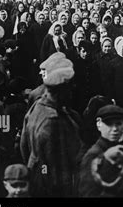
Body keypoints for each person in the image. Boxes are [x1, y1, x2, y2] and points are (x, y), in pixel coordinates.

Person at [20, 55, 82, 197]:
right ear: (63, 89)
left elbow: (24, 148)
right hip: (52, 187)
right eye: (70, 88)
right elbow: (53, 166)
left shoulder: (36, 107)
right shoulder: (53, 121)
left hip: (38, 178)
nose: (72, 92)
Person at [79, 105, 123, 197]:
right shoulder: (94, 155)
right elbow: (88, 192)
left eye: (118, 123)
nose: (115, 129)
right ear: (99, 124)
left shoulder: (121, 151)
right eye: (109, 124)